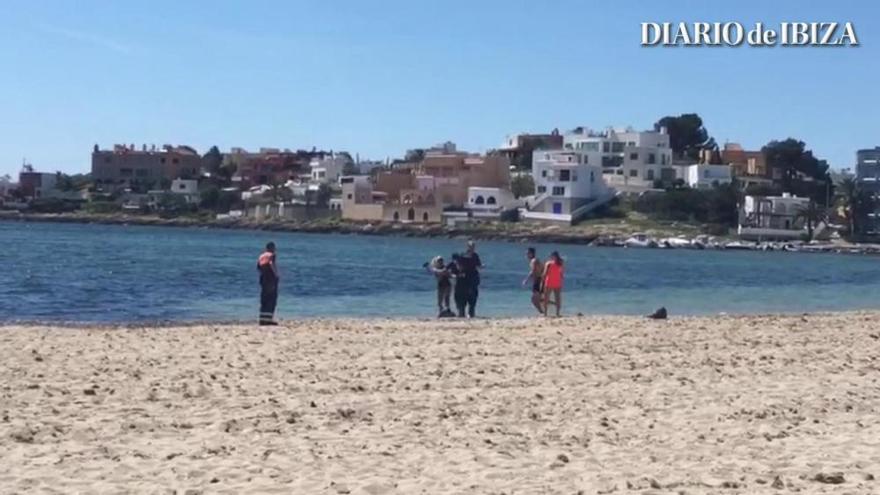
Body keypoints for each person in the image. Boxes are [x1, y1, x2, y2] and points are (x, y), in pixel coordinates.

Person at [457, 240, 483, 318]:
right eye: (471, 246)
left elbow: (478, 265)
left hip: (473, 277)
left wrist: (481, 266)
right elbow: (459, 266)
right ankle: (462, 313)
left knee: (473, 296)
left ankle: (471, 313)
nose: (472, 248)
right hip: (465, 278)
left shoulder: (475, 255)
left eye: (473, 246)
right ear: (468, 246)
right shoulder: (463, 255)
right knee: (463, 296)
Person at [257, 242, 279, 326]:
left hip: (263, 278)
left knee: (264, 299)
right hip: (271, 278)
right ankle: (268, 320)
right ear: (272, 248)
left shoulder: (261, 256)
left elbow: (258, 267)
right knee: (271, 299)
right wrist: (276, 275)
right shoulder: (271, 255)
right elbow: (271, 264)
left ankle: (262, 319)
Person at [522, 247, 544, 314]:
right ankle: (555, 305)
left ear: (531, 254)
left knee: (534, 300)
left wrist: (526, 280)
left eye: (528, 253)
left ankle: (542, 312)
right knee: (539, 299)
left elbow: (533, 271)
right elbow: (542, 269)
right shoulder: (536, 260)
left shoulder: (533, 261)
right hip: (539, 280)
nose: (526, 255)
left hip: (538, 281)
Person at [542, 251, 564, 317]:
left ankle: (545, 313)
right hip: (557, 282)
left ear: (552, 256)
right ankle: (557, 313)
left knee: (546, 298)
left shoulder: (548, 263)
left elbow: (545, 274)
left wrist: (541, 280)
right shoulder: (560, 263)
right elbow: (561, 273)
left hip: (549, 282)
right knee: (557, 298)